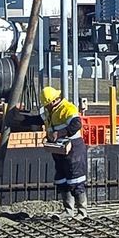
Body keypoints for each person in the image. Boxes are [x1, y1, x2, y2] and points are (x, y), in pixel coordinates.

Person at [41, 83, 88, 217]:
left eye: (47, 104)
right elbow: (36, 119)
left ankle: (82, 212)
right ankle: (68, 210)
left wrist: (59, 133)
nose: (45, 106)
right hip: (59, 149)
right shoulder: (49, 111)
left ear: (53, 101)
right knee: (62, 179)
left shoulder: (67, 108)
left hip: (73, 148)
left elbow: (77, 124)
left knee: (75, 179)